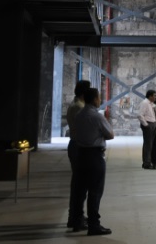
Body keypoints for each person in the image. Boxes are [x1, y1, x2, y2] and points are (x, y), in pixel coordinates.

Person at [70, 87, 114, 236]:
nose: (100, 100)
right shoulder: (97, 116)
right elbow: (110, 134)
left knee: (80, 191)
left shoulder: (79, 114)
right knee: (95, 191)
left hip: (81, 154)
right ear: (95, 99)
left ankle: (77, 221)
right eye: (99, 97)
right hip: (94, 156)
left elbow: (75, 133)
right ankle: (94, 224)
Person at [65, 80, 90, 230]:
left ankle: (76, 215)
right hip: (79, 146)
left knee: (79, 184)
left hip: (77, 145)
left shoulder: (77, 105)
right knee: (80, 185)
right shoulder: (79, 108)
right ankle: (76, 217)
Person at [137, 90, 156, 170]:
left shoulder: (151, 104)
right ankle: (147, 163)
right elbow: (140, 115)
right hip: (148, 124)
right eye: (154, 96)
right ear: (150, 96)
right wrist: (146, 125)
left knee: (150, 144)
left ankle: (147, 162)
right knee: (148, 145)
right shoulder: (145, 103)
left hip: (152, 124)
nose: (155, 97)